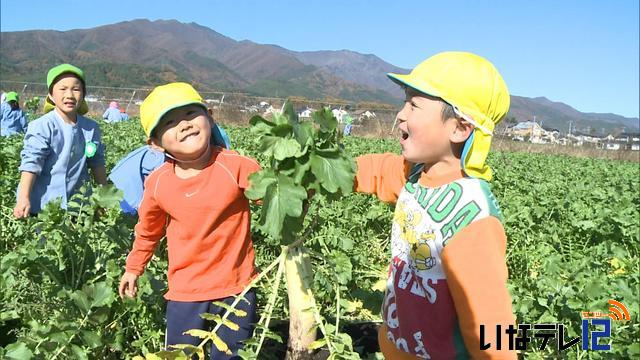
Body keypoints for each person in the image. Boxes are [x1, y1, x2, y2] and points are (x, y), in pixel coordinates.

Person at [354, 52, 515, 359]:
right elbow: (377, 171)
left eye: (414, 105)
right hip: (398, 347)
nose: (400, 114)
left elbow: (490, 318)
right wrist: (324, 171)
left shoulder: (471, 217)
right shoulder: (417, 173)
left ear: (459, 128)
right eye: (405, 101)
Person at [118, 82, 260, 359]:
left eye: (190, 114)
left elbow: (276, 199)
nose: (183, 125)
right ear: (156, 144)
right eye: (170, 122)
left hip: (236, 288)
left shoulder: (237, 166)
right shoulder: (158, 183)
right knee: (181, 355)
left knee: (231, 356)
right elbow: (148, 231)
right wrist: (134, 268)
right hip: (185, 292)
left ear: (209, 116)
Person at [13, 64, 107, 218]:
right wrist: (23, 197)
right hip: (44, 207)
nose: (69, 95)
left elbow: (96, 162)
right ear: (51, 95)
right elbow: (31, 163)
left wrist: (104, 198)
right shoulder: (42, 126)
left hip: (79, 206)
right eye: (62, 89)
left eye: (76, 89)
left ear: (83, 94)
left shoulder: (91, 128)